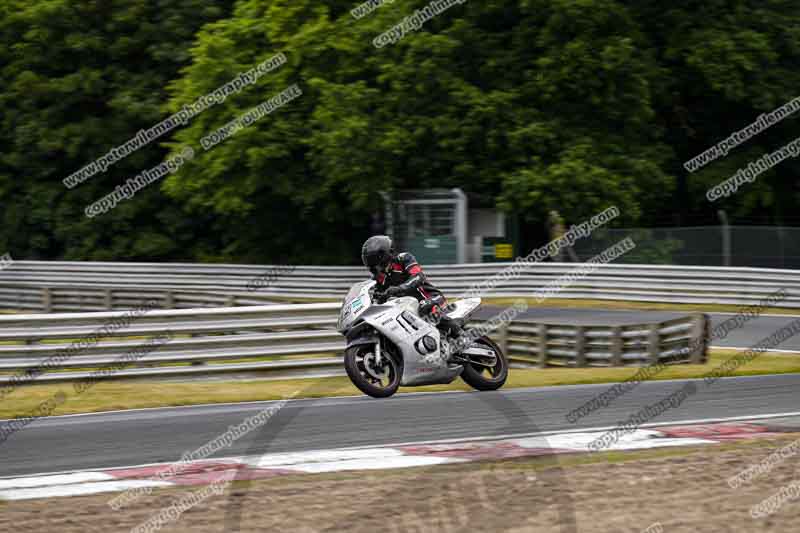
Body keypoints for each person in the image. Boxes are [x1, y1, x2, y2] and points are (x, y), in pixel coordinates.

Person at [361, 235, 467, 353]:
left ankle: (461, 335)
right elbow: (377, 298)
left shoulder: (403, 259)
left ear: (383, 255)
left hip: (431, 297)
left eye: (373, 259)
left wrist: (399, 288)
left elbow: (418, 276)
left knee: (424, 307)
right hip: (409, 307)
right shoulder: (379, 278)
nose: (373, 265)